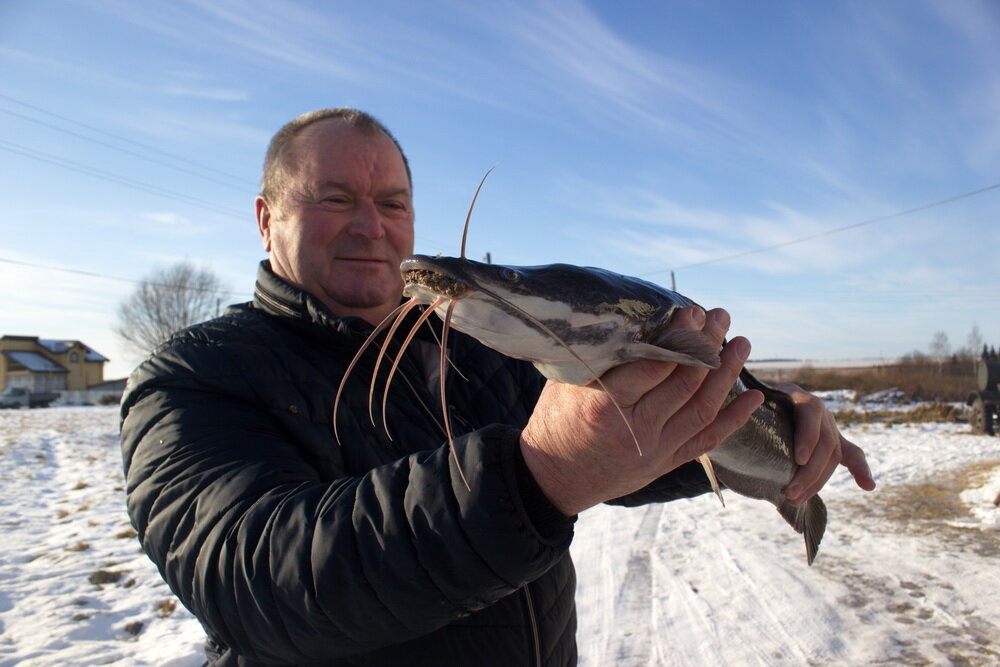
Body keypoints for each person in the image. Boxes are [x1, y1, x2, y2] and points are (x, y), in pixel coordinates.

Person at [120, 108, 875, 666]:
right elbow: (256, 579)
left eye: (391, 203)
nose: (369, 227)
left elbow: (611, 451)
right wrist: (534, 475)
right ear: (265, 219)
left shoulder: (480, 350)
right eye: (334, 198)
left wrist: (754, 431)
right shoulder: (191, 377)